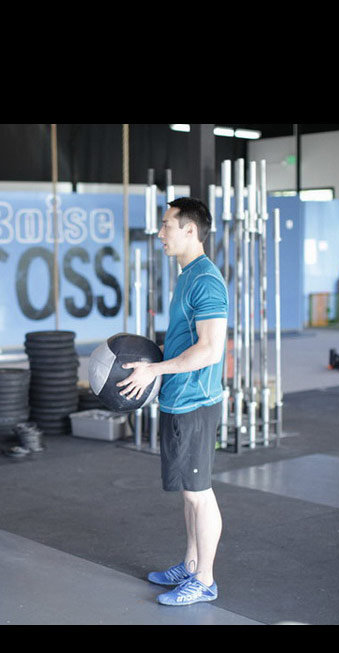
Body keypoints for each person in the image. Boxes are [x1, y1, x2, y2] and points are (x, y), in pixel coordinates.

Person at [117, 196, 228, 606]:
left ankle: (206, 580)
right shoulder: (187, 275)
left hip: (196, 400)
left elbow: (211, 350)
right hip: (180, 399)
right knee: (188, 490)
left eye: (166, 225)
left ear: (189, 230)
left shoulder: (205, 280)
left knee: (200, 493)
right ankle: (191, 563)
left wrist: (155, 372)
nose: (160, 232)